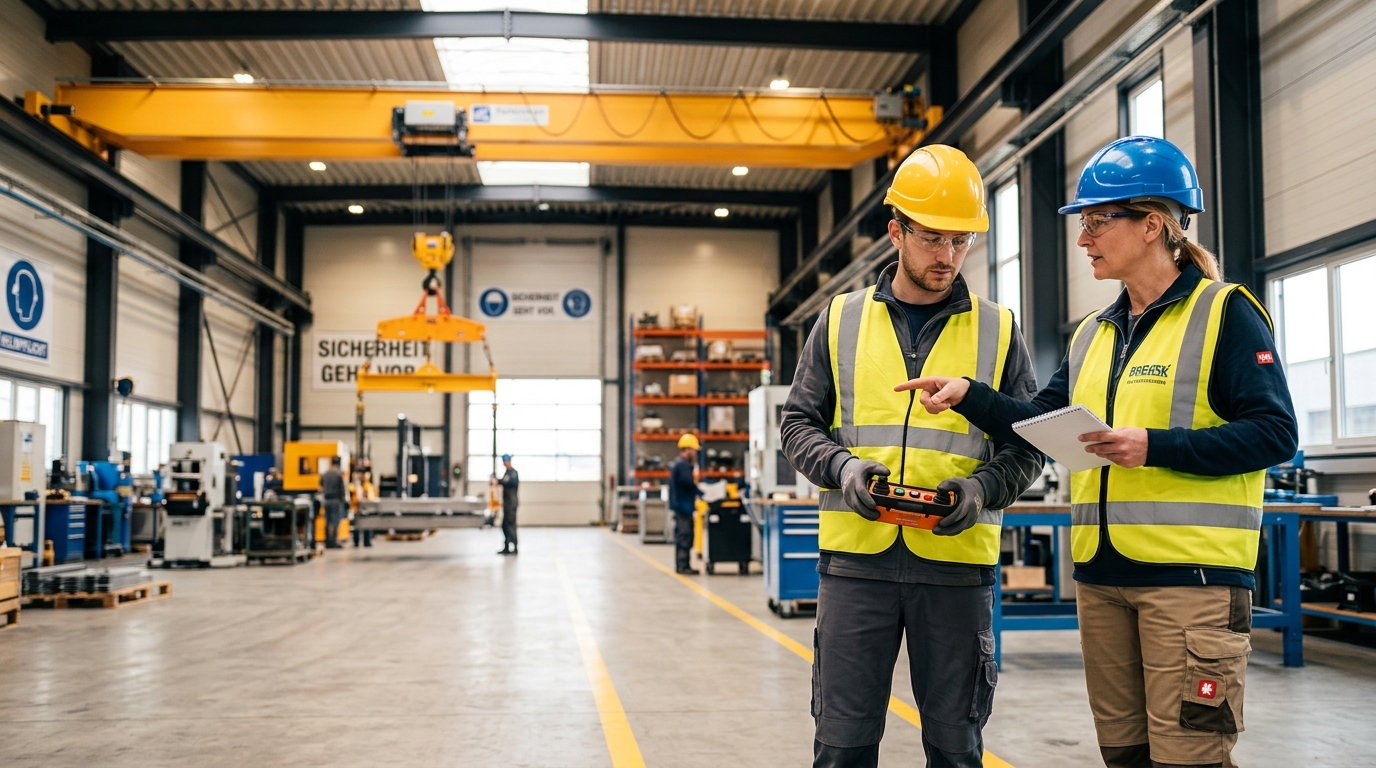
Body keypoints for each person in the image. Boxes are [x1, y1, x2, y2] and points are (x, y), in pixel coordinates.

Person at [898, 136, 1299, 768]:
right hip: (1103, 579)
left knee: (1189, 757)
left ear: (1151, 225)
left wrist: (1154, 447)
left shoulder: (1225, 314)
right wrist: (969, 395)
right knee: (1124, 755)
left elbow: (1276, 433)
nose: (1083, 240)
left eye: (1095, 223)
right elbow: (1040, 421)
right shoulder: (1094, 332)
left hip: (1189, 584)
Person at [781, 144, 1044, 768]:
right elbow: (798, 423)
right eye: (932, 239)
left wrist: (978, 491)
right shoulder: (840, 320)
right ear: (895, 230)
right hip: (855, 566)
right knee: (842, 747)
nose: (947, 256)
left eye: (961, 241)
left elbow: (1029, 441)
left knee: (956, 750)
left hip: (955, 568)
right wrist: (844, 470)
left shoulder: (999, 329)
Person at [668, 434, 703, 575]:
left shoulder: (680, 464)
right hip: (683, 507)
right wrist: (701, 492)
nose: (694, 453)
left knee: (684, 535)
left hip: (682, 506)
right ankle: (683, 566)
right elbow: (688, 483)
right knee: (685, 536)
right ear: (687, 449)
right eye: (693, 450)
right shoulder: (682, 465)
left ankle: (683, 565)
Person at [320, 457, 347, 549]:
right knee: (335, 520)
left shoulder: (325, 473)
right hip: (336, 500)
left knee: (327, 520)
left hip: (326, 500)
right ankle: (334, 541)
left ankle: (327, 540)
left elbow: (321, 486)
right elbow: (342, 489)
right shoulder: (339, 474)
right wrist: (344, 501)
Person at [496, 454, 519, 555]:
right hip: (507, 504)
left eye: (506, 461)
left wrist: (499, 481)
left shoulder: (513, 473)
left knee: (510, 525)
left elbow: (509, 482)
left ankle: (514, 547)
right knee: (504, 525)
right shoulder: (507, 472)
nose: (505, 463)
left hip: (511, 504)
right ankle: (506, 546)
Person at [350, 459, 376, 548]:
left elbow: (372, 497)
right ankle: (356, 542)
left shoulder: (369, 486)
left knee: (367, 525)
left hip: (367, 508)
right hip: (357, 507)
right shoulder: (356, 486)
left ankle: (367, 541)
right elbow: (354, 496)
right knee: (357, 526)